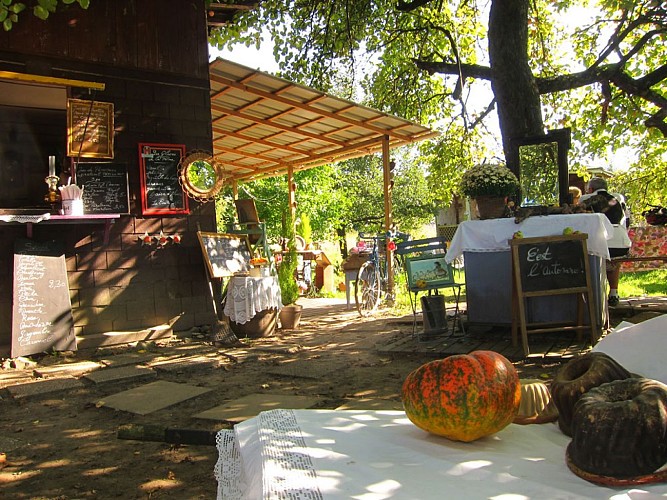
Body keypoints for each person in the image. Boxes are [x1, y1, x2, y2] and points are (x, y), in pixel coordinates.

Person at [579, 177, 632, 307]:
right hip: (621, 243)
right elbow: (628, 221)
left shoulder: (585, 199)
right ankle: (613, 293)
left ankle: (597, 295)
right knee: (613, 260)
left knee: (593, 254)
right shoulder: (619, 198)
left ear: (590, 189)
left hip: (601, 241)